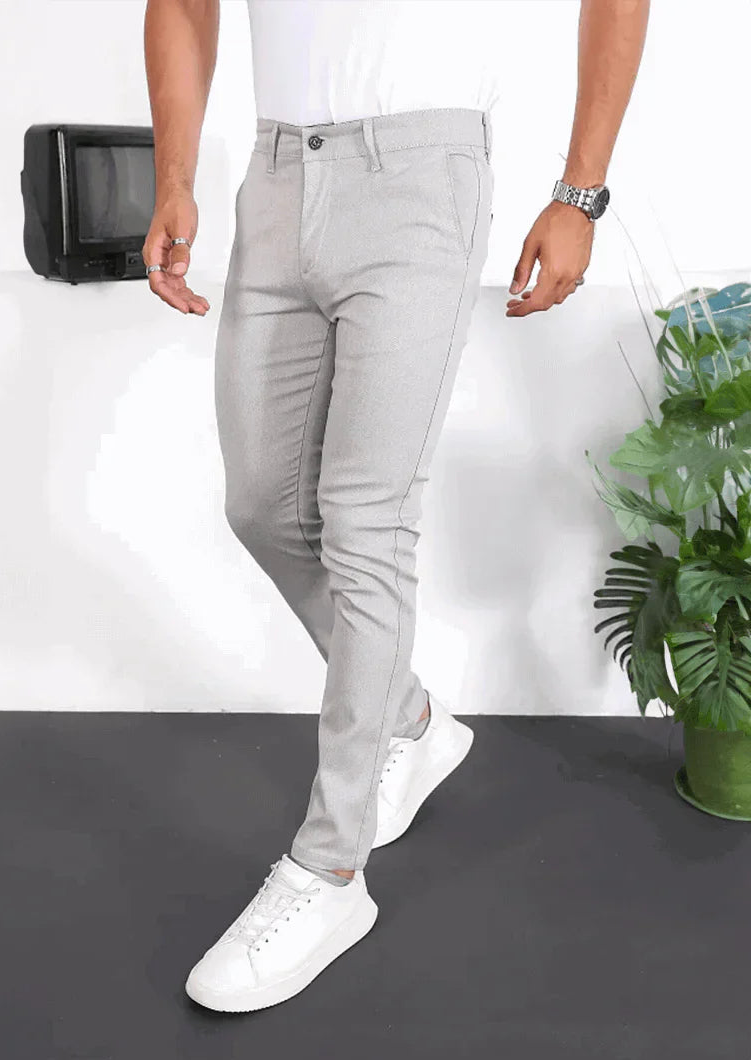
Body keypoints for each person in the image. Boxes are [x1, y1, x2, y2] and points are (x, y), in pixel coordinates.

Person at [142, 0, 650, 1013]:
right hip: (277, 176)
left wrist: (579, 194)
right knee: (262, 506)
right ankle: (409, 720)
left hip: (419, 176)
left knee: (367, 521)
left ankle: (329, 871)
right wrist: (174, 176)